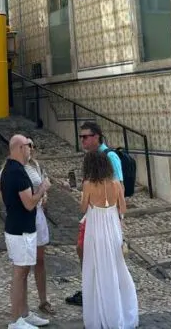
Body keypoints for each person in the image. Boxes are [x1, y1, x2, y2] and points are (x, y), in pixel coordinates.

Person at [0, 138, 54, 315]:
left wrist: (42, 196)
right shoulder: (14, 170)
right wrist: (12, 202)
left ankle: (32, 308)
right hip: (23, 221)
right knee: (21, 269)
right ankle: (17, 318)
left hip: (35, 216)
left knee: (33, 262)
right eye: (28, 145)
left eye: (32, 145)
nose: (32, 149)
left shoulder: (34, 166)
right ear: (20, 148)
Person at [80, 149, 138, 329]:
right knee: (117, 267)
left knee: (97, 268)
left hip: (96, 228)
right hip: (112, 227)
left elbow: (83, 209)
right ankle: (122, 312)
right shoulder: (115, 184)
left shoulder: (88, 184)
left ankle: (99, 313)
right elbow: (123, 208)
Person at [66, 121, 123, 307]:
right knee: (84, 250)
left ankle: (98, 289)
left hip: (104, 216)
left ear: (97, 136)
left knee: (93, 251)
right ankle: (91, 287)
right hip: (93, 214)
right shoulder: (91, 157)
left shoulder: (110, 156)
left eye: (85, 136)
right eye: (81, 137)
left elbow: (118, 187)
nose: (82, 140)